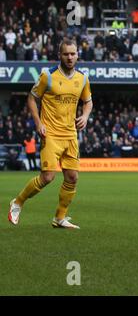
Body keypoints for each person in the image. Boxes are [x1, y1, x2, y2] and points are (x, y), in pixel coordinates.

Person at [8, 40, 93, 229]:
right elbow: (31, 99)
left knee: (72, 177)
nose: (69, 57)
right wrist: (38, 123)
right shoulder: (47, 76)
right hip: (51, 134)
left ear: (78, 55)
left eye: (73, 54)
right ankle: (18, 202)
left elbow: (88, 101)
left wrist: (85, 115)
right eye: (66, 54)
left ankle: (59, 218)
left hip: (71, 135)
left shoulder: (83, 79)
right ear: (59, 55)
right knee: (48, 177)